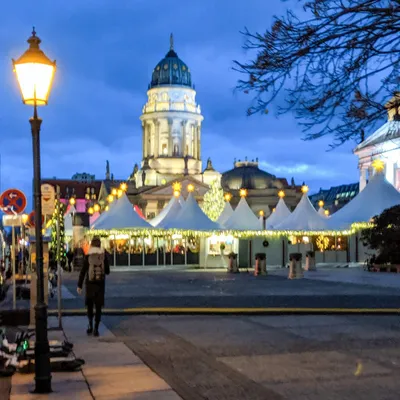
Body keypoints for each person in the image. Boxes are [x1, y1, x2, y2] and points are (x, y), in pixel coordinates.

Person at [77, 237, 110, 337]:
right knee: (98, 307)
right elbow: (107, 271)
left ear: (92, 245)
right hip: (100, 285)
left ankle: (90, 326)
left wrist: (79, 285)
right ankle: (96, 328)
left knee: (90, 307)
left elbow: (83, 272)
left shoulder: (88, 256)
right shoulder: (103, 256)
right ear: (100, 245)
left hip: (90, 285)